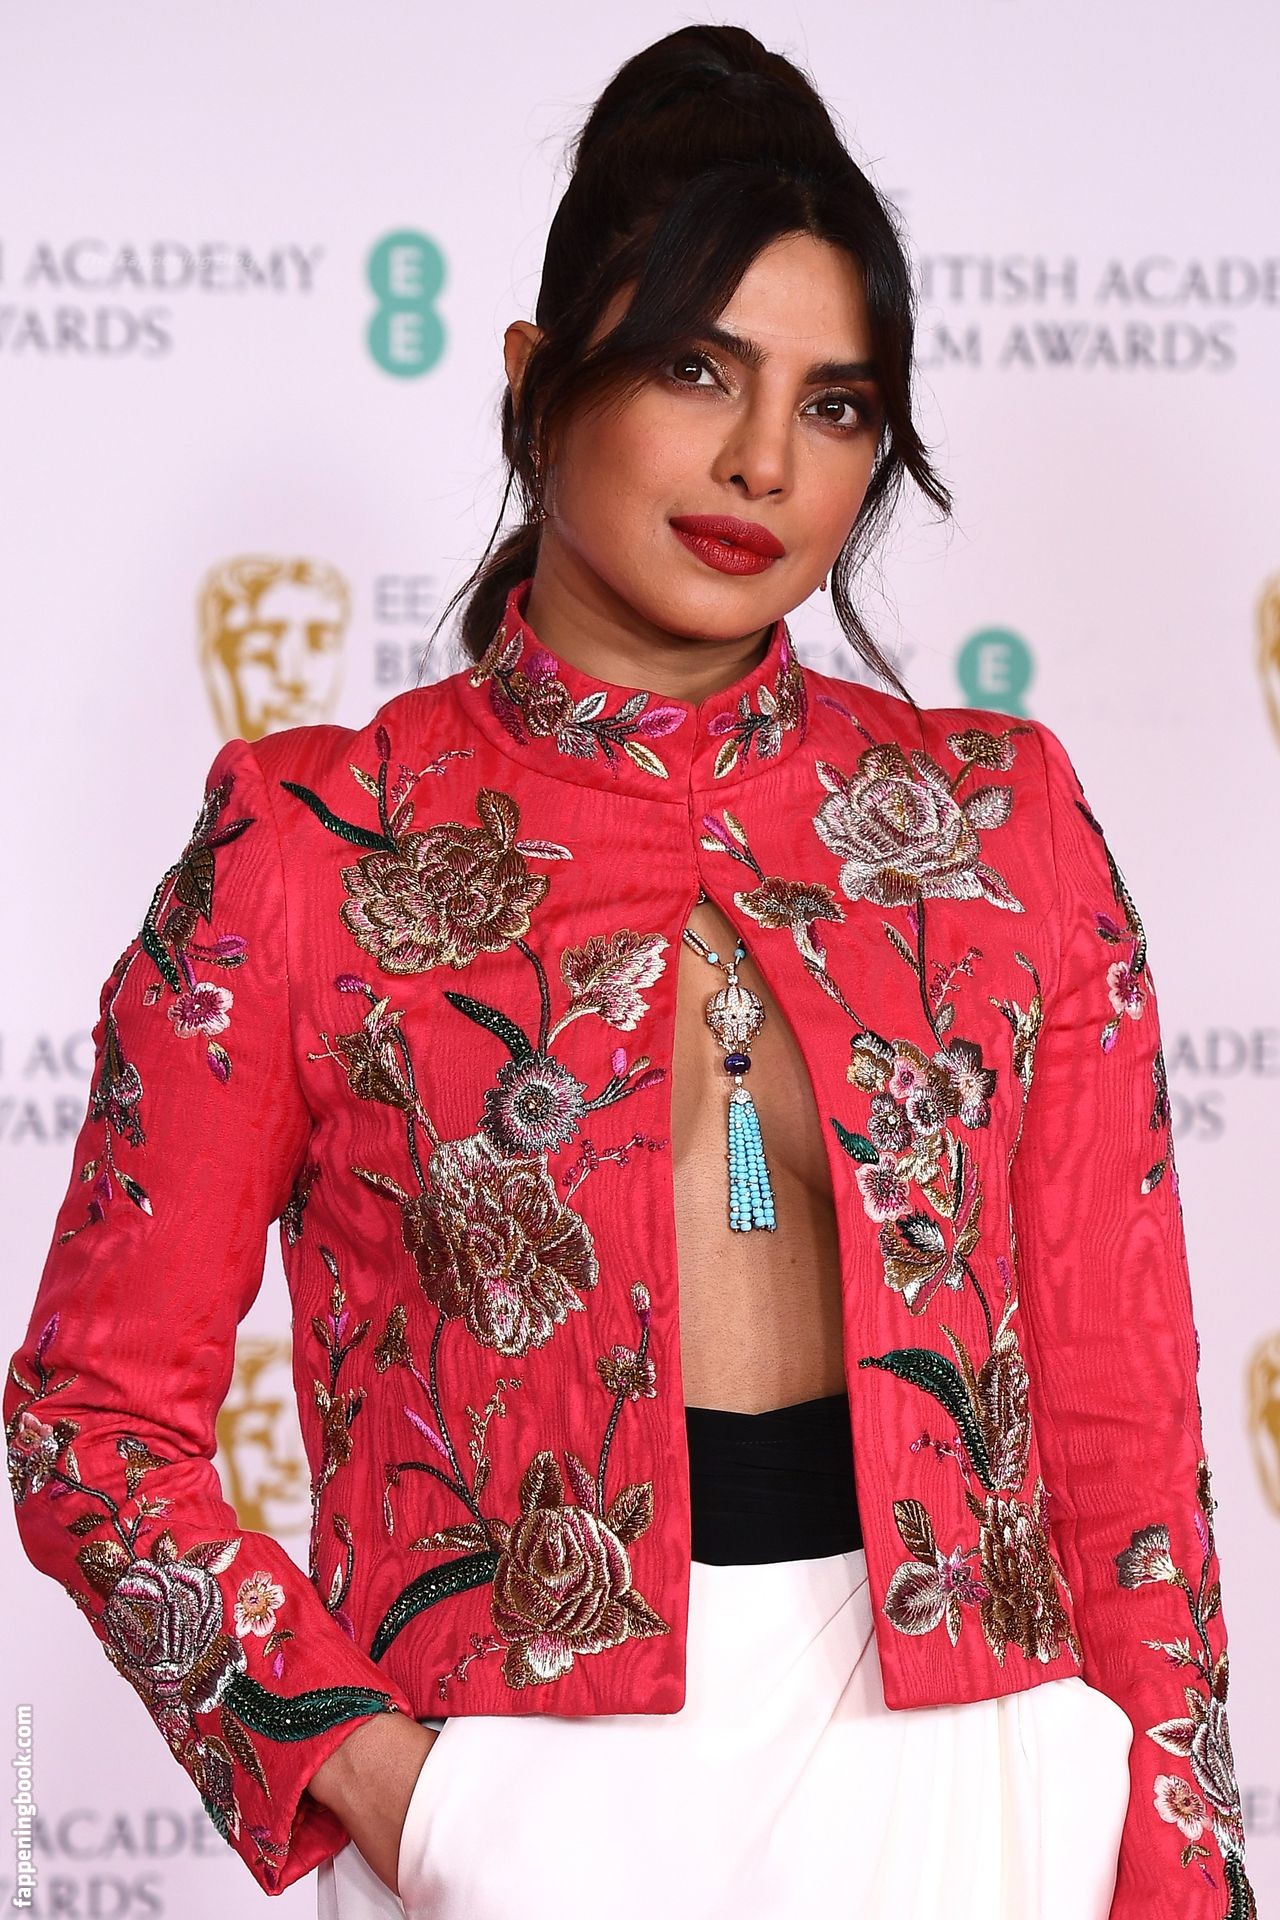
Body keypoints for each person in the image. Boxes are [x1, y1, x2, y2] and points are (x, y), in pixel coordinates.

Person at [3, 24, 1256, 1920]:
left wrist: (1179, 1866)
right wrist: (391, 1786)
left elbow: (1124, 1439)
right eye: (696, 369)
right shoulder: (309, 850)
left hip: (974, 1786)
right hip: (523, 1804)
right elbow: (91, 1419)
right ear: (534, 382)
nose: (764, 459)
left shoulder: (1003, 829)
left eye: (838, 405)